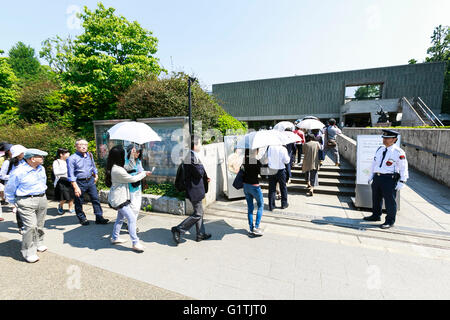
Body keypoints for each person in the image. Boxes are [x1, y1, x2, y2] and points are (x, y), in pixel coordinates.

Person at [4, 148, 49, 263]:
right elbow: (9, 189)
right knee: (30, 226)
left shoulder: (41, 168)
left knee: (40, 224)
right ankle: (28, 252)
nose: (42, 159)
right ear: (32, 158)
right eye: (40, 157)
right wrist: (14, 203)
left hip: (42, 198)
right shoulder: (19, 171)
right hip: (26, 200)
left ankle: (39, 242)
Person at [106, 145, 151, 252]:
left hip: (120, 197)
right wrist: (144, 174)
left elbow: (130, 167)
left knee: (120, 218)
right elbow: (132, 178)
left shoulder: (116, 167)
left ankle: (115, 237)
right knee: (131, 219)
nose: (125, 155)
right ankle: (135, 243)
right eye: (124, 154)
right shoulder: (117, 170)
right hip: (119, 199)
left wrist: (131, 156)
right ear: (119, 156)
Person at [363, 130, 408, 229]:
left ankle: (390, 221)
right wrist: (371, 176)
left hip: (389, 179)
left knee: (390, 201)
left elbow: (403, 167)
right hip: (378, 177)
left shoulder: (398, 152)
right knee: (376, 198)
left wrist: (402, 181)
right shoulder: (380, 149)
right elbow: (374, 164)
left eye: (387, 138)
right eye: (384, 138)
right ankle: (376, 215)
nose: (385, 140)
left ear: (394, 139)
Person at [171, 136, 211, 245]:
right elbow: (199, 172)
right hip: (194, 190)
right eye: (199, 143)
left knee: (200, 212)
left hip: (196, 188)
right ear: (194, 145)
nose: (201, 145)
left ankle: (200, 234)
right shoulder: (191, 157)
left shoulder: (192, 156)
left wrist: (205, 177)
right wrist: (202, 170)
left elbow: (197, 173)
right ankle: (179, 229)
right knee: (198, 213)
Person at [67, 139, 109, 225]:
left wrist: (96, 174)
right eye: (81, 145)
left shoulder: (89, 155)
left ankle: (99, 217)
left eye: (85, 144)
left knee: (95, 199)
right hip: (79, 182)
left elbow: (93, 166)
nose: (83, 146)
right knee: (79, 201)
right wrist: (75, 187)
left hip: (90, 180)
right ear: (76, 146)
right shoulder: (72, 158)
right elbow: (71, 174)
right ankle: (82, 218)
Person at [1, 144, 27, 233]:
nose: (24, 153)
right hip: (13, 187)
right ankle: (21, 226)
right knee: (19, 206)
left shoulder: (25, 161)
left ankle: (27, 224)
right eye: (22, 152)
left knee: (26, 206)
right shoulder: (8, 162)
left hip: (24, 186)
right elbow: (2, 175)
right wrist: (14, 176)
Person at [242, 148, 264, 236]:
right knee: (260, 205)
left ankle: (251, 228)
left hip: (246, 186)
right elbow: (263, 175)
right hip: (254, 186)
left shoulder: (245, 161)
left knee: (250, 208)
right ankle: (256, 226)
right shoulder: (257, 162)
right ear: (255, 151)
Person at [124, 144, 144, 232]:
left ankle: (131, 223)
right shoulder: (126, 161)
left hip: (138, 187)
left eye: (139, 152)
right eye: (136, 152)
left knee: (137, 206)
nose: (138, 153)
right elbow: (128, 171)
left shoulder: (138, 161)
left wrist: (143, 173)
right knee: (133, 207)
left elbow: (141, 170)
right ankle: (131, 225)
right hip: (130, 187)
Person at [267, 144, 290, 210]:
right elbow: (287, 161)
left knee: (271, 188)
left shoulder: (270, 147)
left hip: (271, 170)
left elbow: (267, 158)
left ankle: (271, 205)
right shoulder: (283, 149)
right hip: (280, 170)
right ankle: (284, 204)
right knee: (283, 187)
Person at [53, 148, 75, 215]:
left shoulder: (69, 161)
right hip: (61, 181)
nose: (69, 154)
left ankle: (71, 208)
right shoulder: (57, 162)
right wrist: (67, 170)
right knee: (64, 196)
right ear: (61, 154)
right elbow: (56, 172)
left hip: (70, 180)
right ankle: (60, 206)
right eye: (67, 153)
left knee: (72, 195)